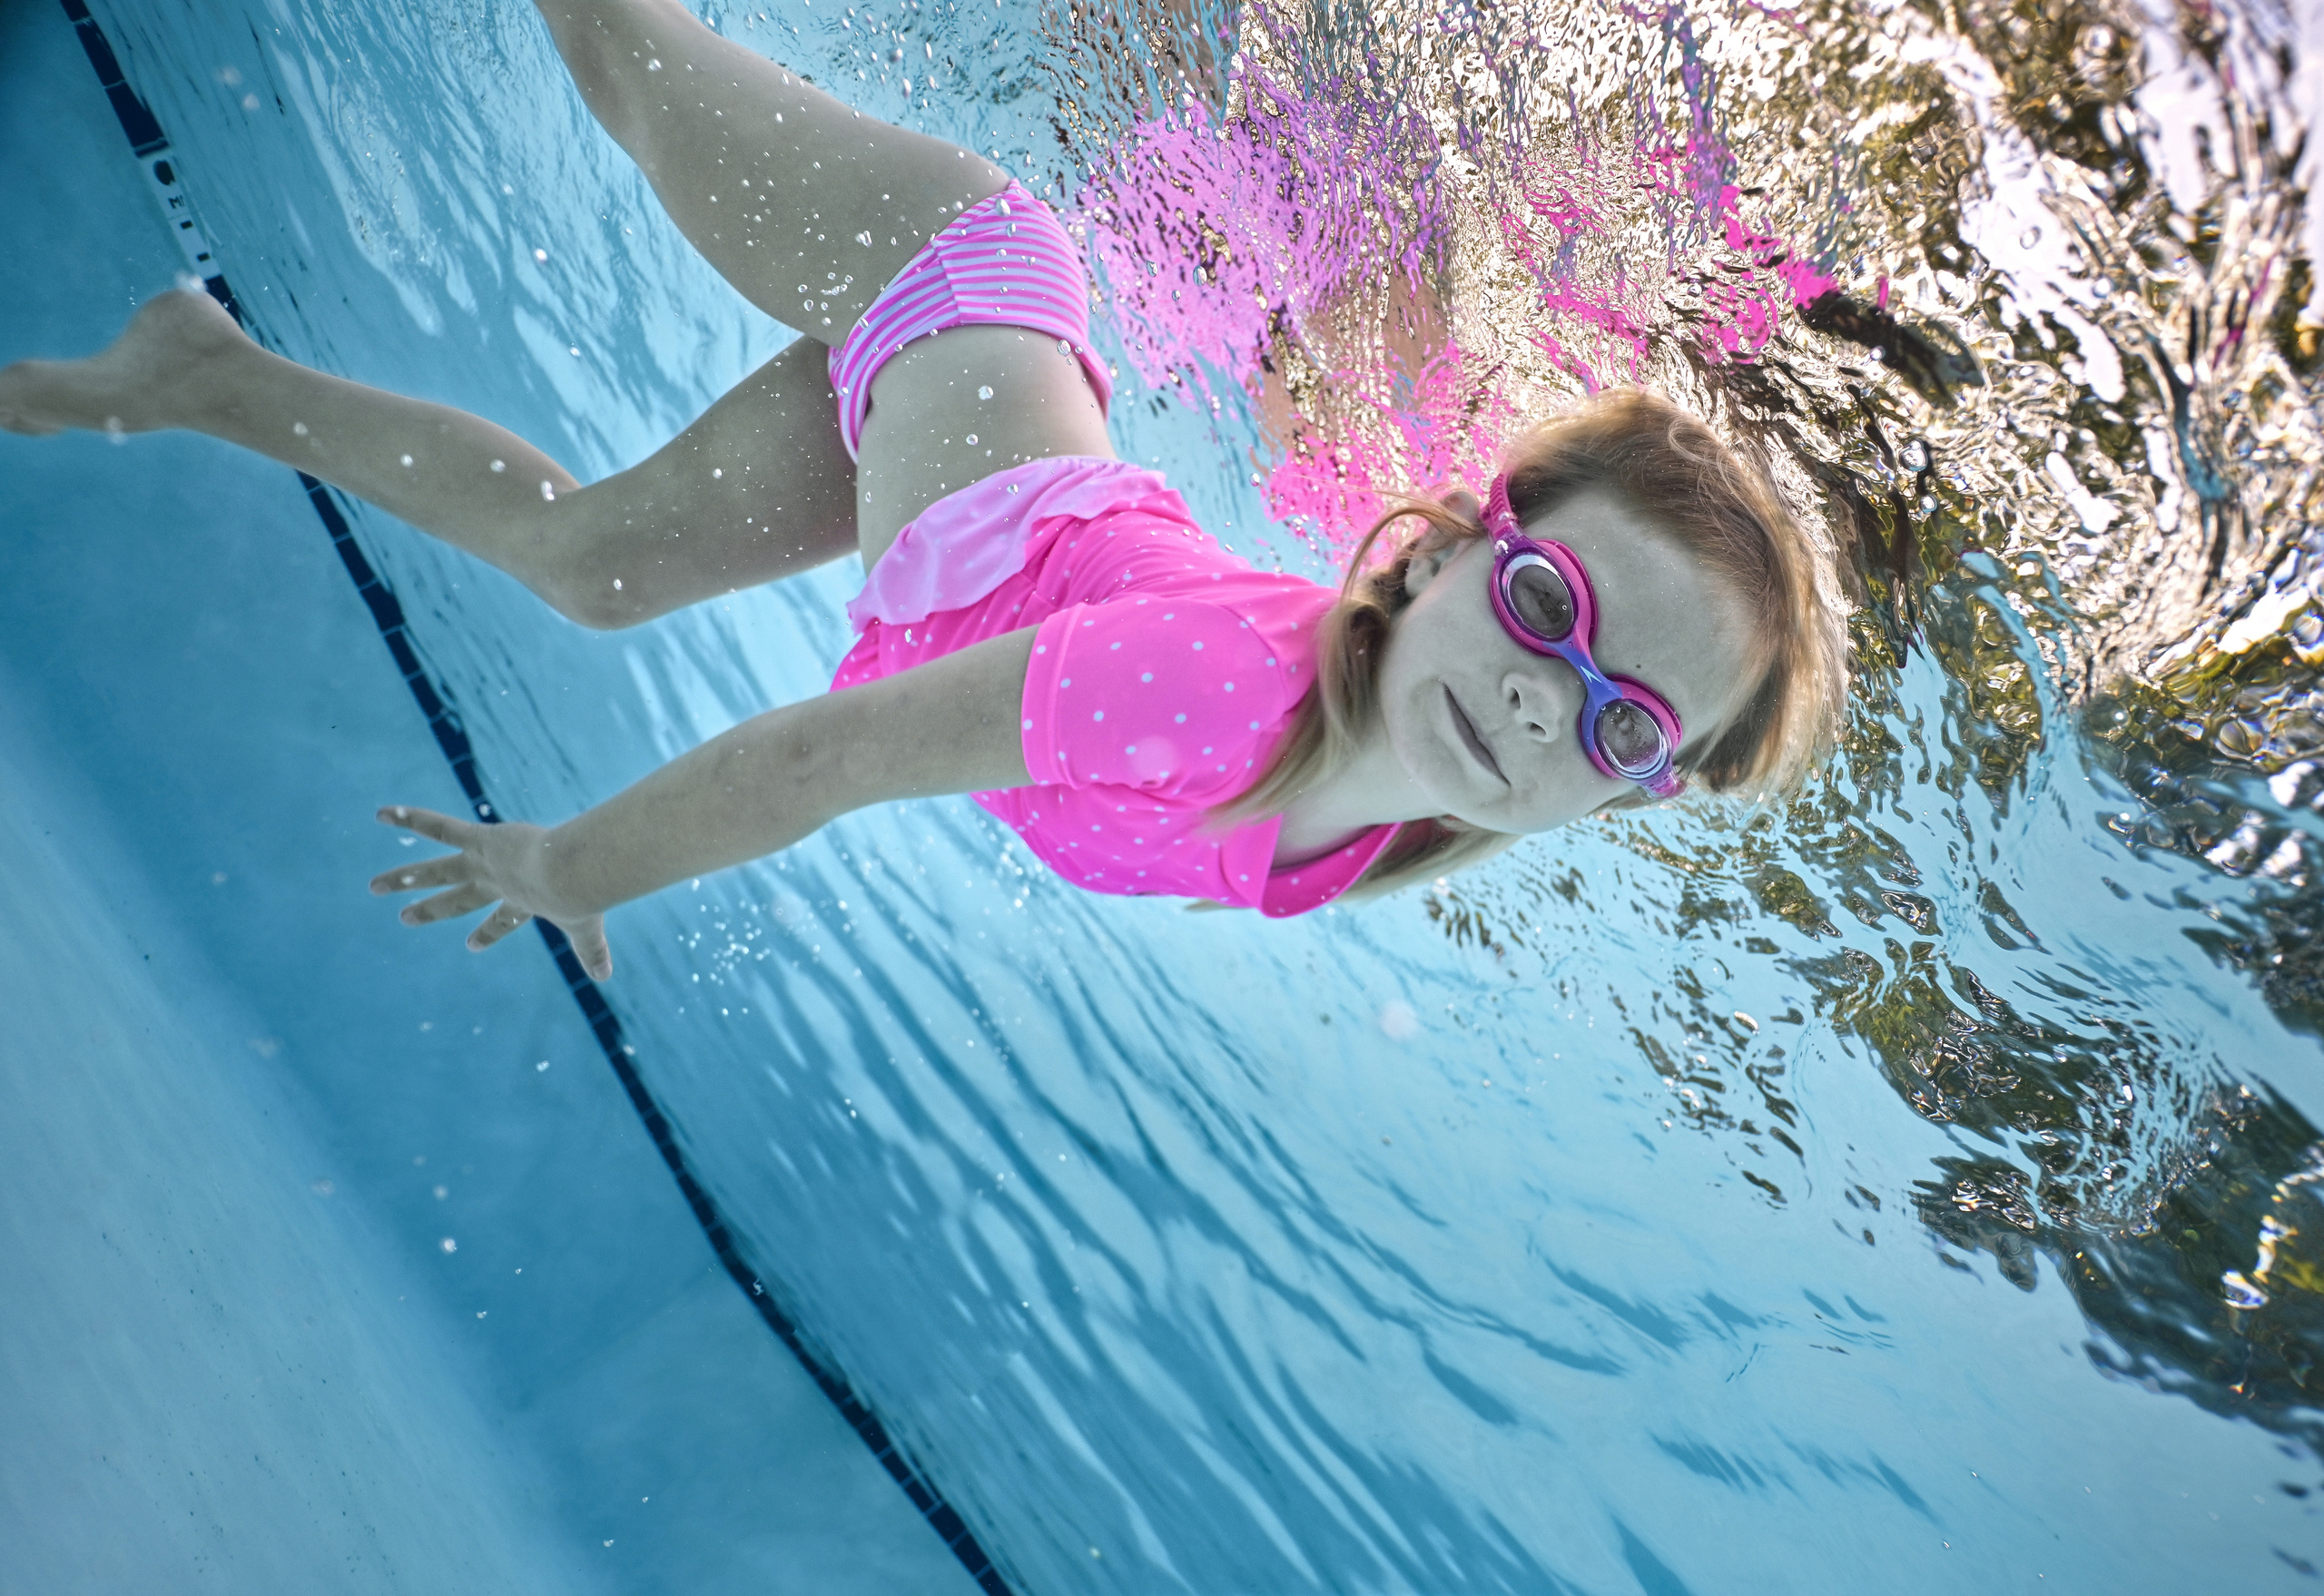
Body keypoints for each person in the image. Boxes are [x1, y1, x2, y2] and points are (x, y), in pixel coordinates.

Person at [0, 0, 1846, 980]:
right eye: (1548, 609)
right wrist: (570, 868)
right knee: (612, 47)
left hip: (936, 464)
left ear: (1630, 794)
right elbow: (824, 757)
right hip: (938, 281)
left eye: (1617, 724)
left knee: (589, 568)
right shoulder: (1226, 694)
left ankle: (202, 372)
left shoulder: (1383, 826)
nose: (1545, 699)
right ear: (1446, 547)